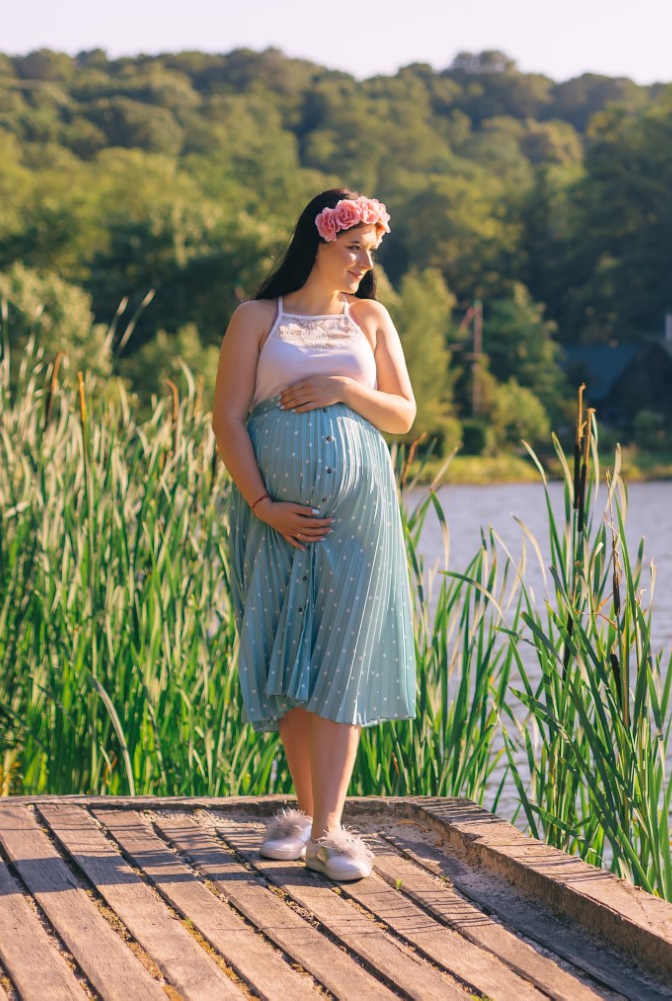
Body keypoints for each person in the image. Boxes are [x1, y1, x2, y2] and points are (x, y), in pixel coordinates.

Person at [211, 188, 418, 882]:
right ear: (319, 242)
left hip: (360, 523)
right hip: (278, 522)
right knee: (292, 657)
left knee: (342, 660)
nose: (363, 262)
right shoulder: (256, 318)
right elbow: (228, 420)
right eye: (353, 247)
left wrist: (344, 389)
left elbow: (402, 415)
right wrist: (264, 502)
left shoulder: (372, 318)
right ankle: (303, 817)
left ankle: (330, 831)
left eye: (371, 251)